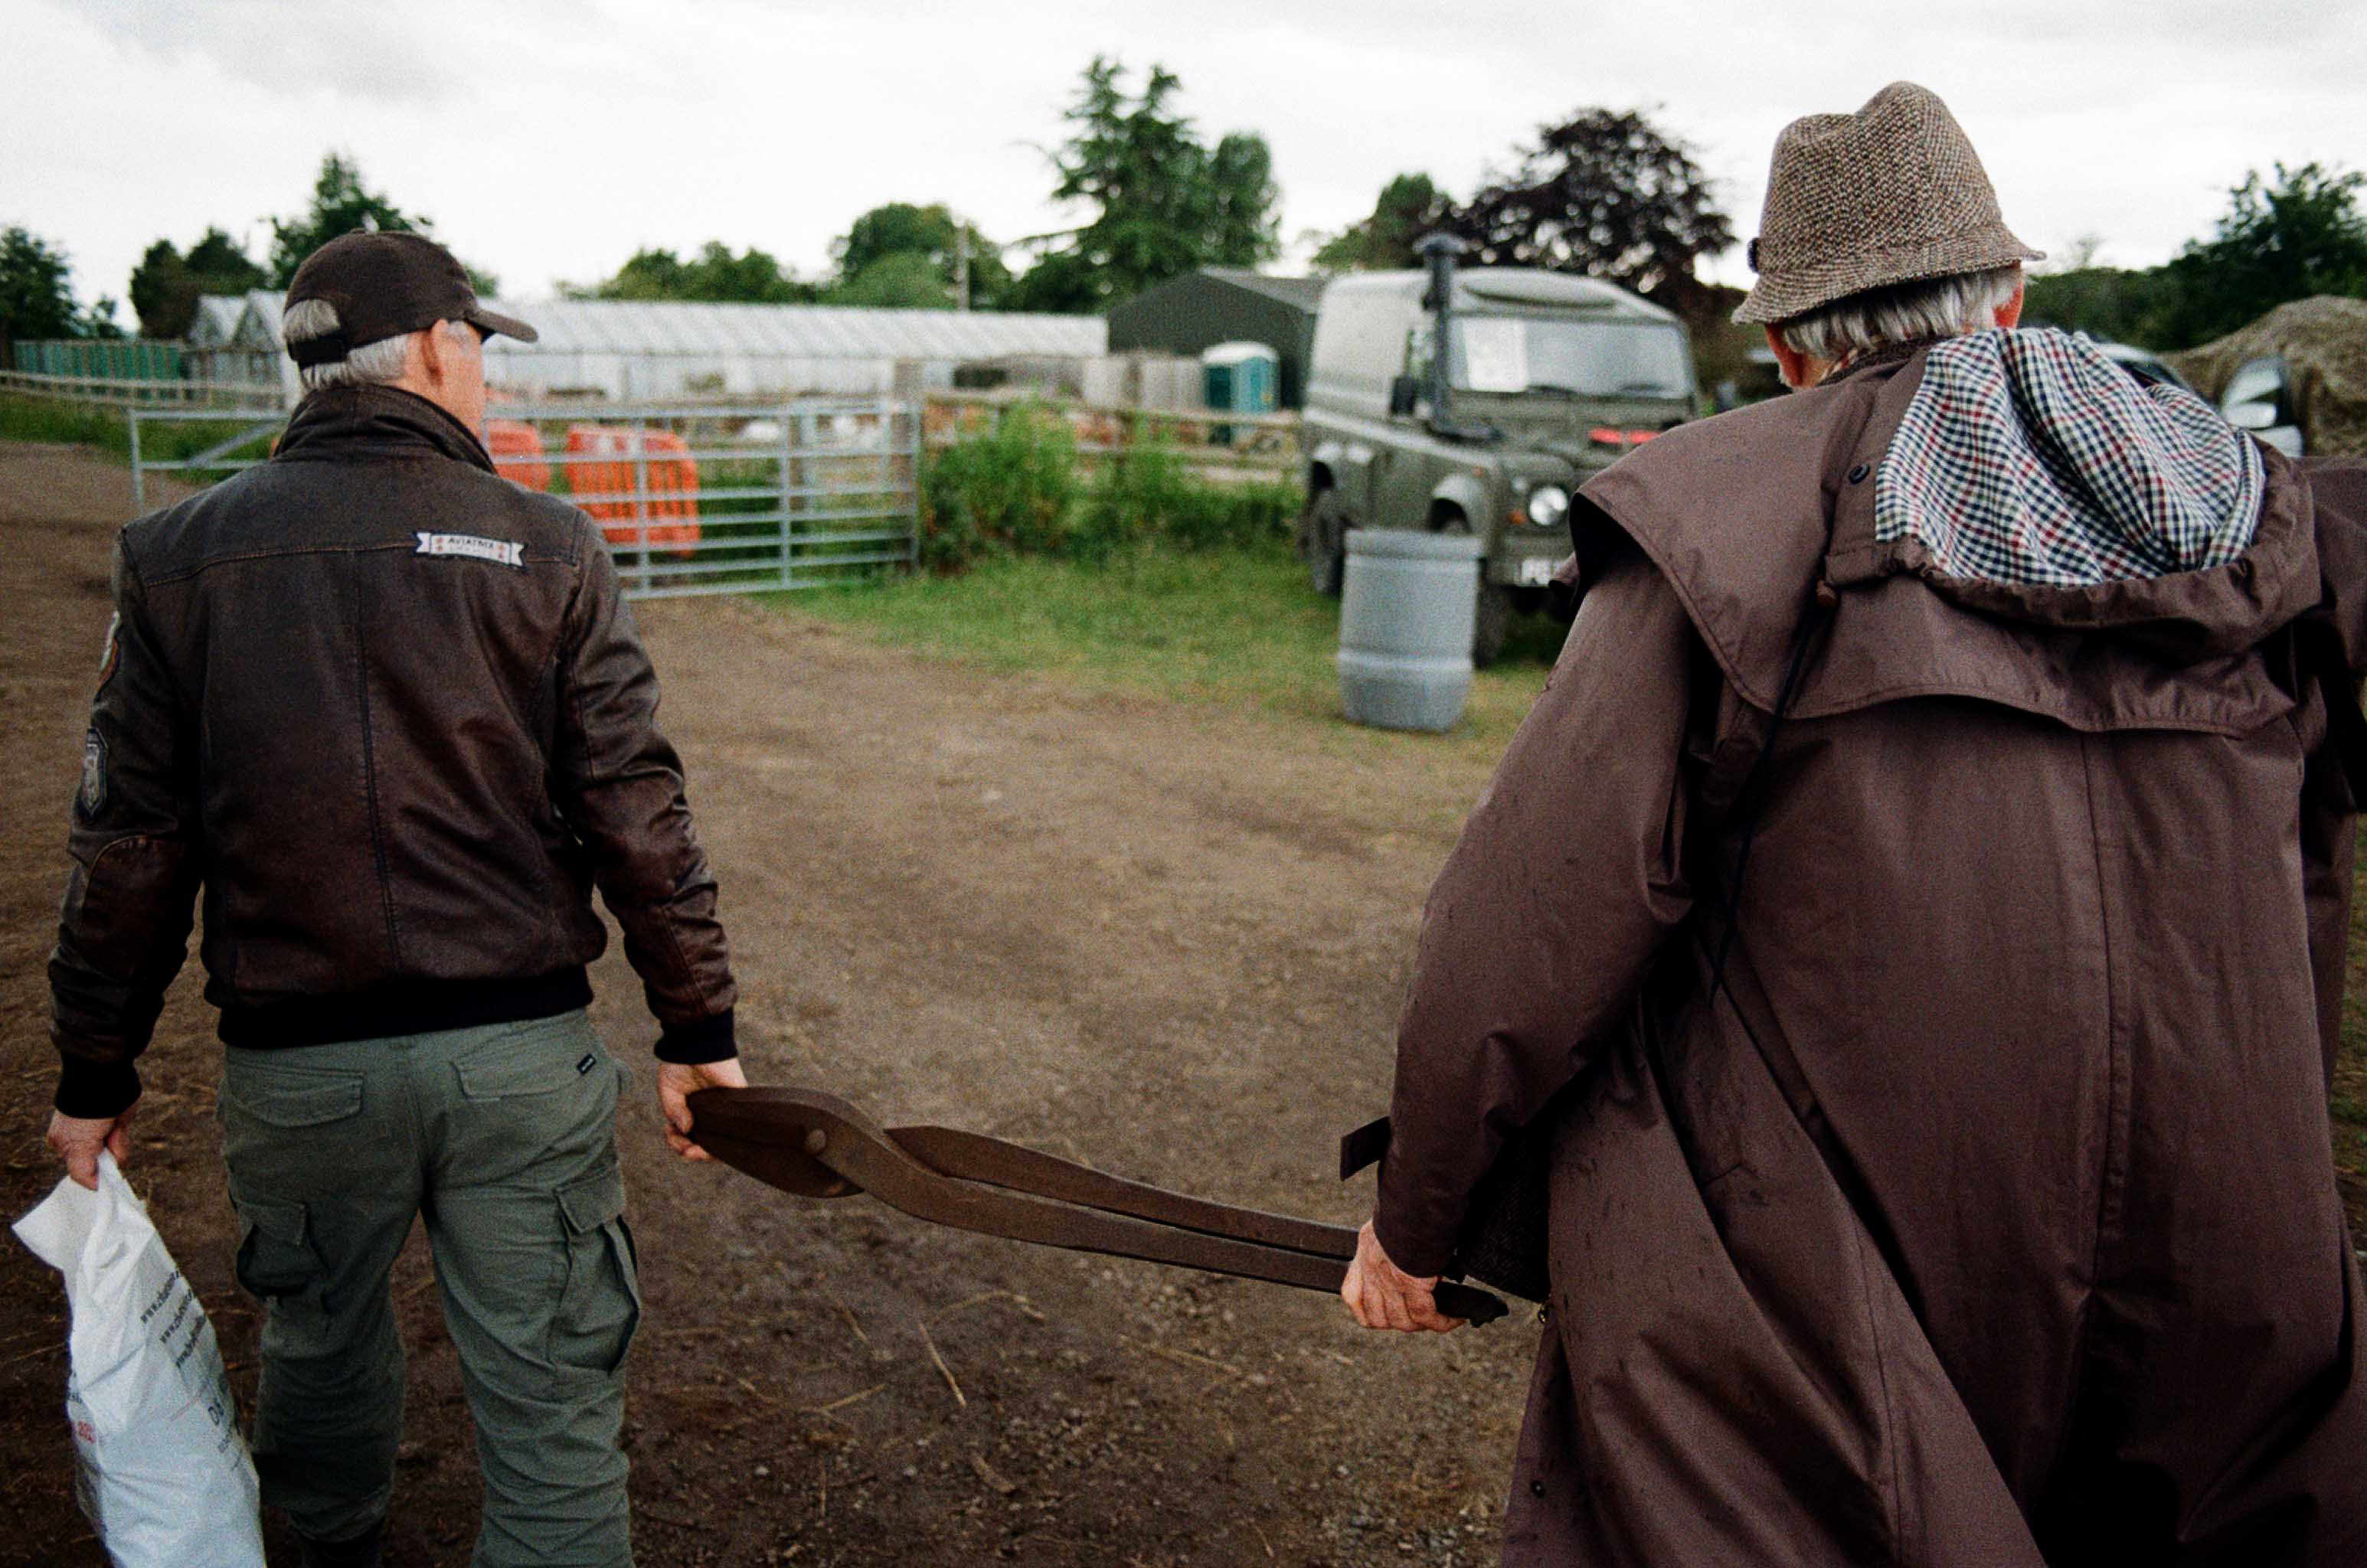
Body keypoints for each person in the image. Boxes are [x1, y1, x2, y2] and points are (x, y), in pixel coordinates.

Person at [1341, 82, 2367, 1564]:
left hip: (1825, 1240)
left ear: (1784, 342)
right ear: (2011, 295)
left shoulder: (1725, 514)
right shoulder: (2259, 513)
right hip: (2234, 1215)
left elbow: (1534, 914)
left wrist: (1422, 1215)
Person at [43, 230, 747, 1568]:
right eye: (480, 348)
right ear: (438, 348)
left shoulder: (176, 557)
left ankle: (328, 1540)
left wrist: (96, 1068)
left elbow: (129, 841)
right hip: (520, 1060)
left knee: (315, 1334)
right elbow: (632, 808)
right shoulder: (548, 544)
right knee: (551, 1395)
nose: (486, 377)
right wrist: (697, 1030)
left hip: (299, 1074)